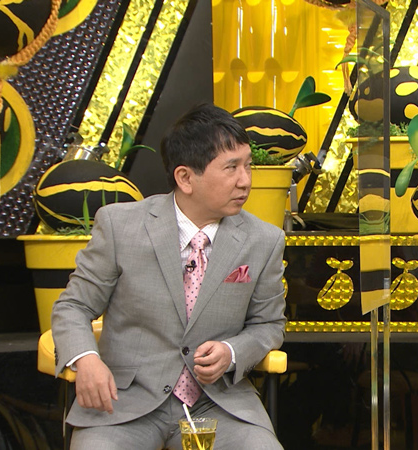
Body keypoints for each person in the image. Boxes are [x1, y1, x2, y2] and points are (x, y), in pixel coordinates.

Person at [51, 103, 287, 449]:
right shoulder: (120, 226)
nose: (245, 180)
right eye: (231, 167)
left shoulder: (264, 240)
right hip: (123, 403)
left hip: (218, 405)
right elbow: (73, 306)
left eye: (248, 165)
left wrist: (232, 352)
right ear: (185, 178)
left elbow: (269, 325)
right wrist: (86, 358)